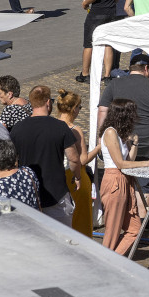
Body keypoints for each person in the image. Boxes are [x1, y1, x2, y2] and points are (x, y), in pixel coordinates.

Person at [10, 85, 83, 225]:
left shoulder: (17, 129)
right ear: (48, 102)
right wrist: (77, 176)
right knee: (62, 239)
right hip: (56, 195)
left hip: (29, 195)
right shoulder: (60, 127)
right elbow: (73, 159)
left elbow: (12, 162)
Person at [97, 53, 149, 158]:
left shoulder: (114, 84)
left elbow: (103, 111)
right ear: (146, 68)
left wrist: (101, 137)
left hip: (120, 145)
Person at [78, 0, 121, 84]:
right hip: (111, 11)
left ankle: (85, 74)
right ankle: (107, 75)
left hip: (97, 12)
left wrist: (86, 3)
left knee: (89, 43)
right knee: (107, 44)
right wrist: (112, 2)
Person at [53, 90, 93, 235]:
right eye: (79, 107)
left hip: (57, 176)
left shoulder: (52, 125)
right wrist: (99, 148)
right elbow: (82, 159)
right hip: (75, 176)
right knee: (81, 218)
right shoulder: (75, 130)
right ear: (74, 108)